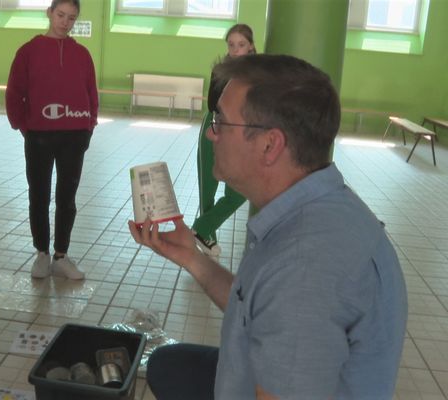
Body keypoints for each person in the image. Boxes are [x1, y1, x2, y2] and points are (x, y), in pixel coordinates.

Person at [129, 54, 408, 400]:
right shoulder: (318, 205)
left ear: (269, 145)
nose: (211, 134)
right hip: (253, 370)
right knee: (168, 364)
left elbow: (287, 297)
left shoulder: (304, 266)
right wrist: (192, 257)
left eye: (220, 121)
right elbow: (257, 303)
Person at [6, 0, 98, 280]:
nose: (65, 22)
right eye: (60, 15)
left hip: (74, 135)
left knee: (66, 198)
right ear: (49, 13)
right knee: (39, 195)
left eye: (71, 18)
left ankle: (61, 255)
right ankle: (42, 254)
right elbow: (14, 92)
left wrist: (88, 126)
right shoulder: (28, 51)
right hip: (39, 136)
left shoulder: (82, 54)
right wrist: (23, 125)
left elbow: (91, 94)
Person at [192, 24, 256, 257]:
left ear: (250, 46)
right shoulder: (221, 70)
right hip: (215, 124)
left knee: (238, 192)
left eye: (241, 45)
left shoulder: (258, 74)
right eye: (231, 45)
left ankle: (201, 227)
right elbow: (213, 104)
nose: (235, 50)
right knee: (207, 186)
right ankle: (207, 237)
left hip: (240, 132)